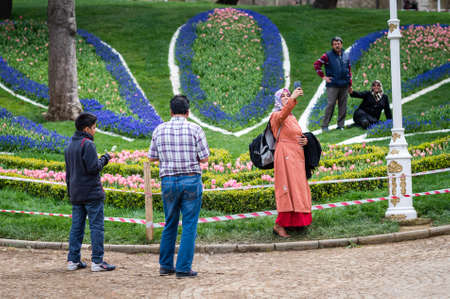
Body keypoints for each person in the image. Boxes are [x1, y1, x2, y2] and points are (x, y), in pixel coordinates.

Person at [148, 95, 209, 279]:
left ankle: (165, 265)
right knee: (189, 224)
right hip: (190, 180)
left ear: (171, 111)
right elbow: (205, 158)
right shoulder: (195, 129)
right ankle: (183, 267)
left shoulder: (159, 130)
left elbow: (151, 157)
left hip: (168, 181)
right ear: (187, 112)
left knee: (170, 223)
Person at [65, 112, 116, 272]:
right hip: (92, 194)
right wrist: (105, 158)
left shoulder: (70, 146)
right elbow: (94, 168)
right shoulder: (87, 144)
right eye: (94, 128)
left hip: (76, 193)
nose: (95, 131)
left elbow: (68, 174)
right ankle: (97, 261)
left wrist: (70, 192)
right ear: (87, 129)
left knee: (76, 228)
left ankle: (73, 260)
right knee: (96, 227)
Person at [270, 87, 312, 238]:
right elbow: (282, 116)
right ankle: (279, 225)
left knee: (298, 189)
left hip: (297, 156)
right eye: (283, 96)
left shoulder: (292, 116)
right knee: (287, 188)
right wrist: (293, 99)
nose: (287, 97)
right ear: (277, 100)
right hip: (285, 156)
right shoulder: (275, 115)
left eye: (288, 95)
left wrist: (304, 140)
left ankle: (295, 223)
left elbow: (296, 133)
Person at [314, 36, 352, 132]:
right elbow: (316, 64)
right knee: (330, 105)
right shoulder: (327, 55)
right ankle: (325, 126)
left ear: (341, 44)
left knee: (343, 105)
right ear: (332, 46)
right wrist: (323, 77)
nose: (337, 45)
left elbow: (349, 70)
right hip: (333, 85)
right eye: (335, 44)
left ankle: (340, 125)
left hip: (344, 84)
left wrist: (350, 85)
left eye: (338, 43)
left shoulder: (346, 55)